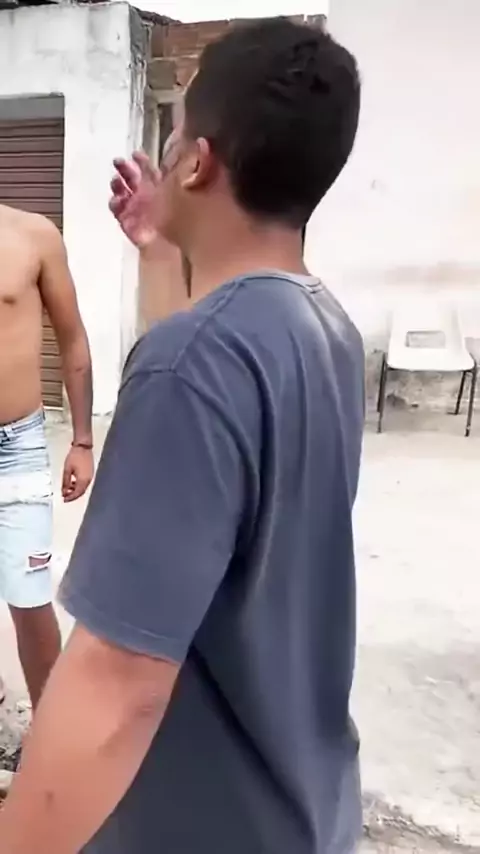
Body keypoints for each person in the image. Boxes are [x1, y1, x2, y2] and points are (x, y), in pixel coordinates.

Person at [0, 17, 364, 854]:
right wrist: (159, 252)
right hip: (302, 803)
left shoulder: (194, 362)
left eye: (171, 142)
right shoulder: (322, 327)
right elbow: (206, 385)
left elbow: (116, 686)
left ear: (198, 162)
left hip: (202, 820)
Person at [0, 203, 94, 712]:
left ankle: (50, 730)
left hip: (17, 448)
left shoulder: (33, 235)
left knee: (30, 600)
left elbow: (72, 337)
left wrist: (82, 441)